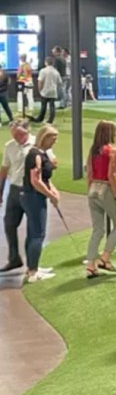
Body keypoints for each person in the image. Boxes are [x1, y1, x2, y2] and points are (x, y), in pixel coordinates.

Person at [84, 120, 116, 279]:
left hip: (93, 189)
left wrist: (89, 191)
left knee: (98, 229)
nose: (115, 134)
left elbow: (88, 173)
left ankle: (90, 265)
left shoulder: (93, 150)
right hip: (105, 189)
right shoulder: (113, 151)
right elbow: (111, 176)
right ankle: (105, 258)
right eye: (114, 131)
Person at [21, 125, 59, 283]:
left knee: (32, 233)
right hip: (33, 197)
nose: (54, 142)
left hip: (34, 196)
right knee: (38, 234)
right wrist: (50, 195)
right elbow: (35, 181)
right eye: (53, 139)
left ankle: (32, 267)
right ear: (45, 138)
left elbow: (45, 178)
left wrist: (54, 191)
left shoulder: (42, 154)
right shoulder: (35, 155)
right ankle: (33, 272)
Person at [0, 119, 35, 274]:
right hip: (14, 189)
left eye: (19, 134)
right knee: (9, 223)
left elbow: (51, 162)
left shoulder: (36, 144)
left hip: (32, 190)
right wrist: (0, 191)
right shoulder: (9, 146)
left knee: (34, 227)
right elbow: (4, 169)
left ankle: (33, 264)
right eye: (14, 134)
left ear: (27, 131)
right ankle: (14, 258)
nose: (16, 138)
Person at [32, 56, 61, 124]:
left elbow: (40, 81)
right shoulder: (56, 71)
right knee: (52, 106)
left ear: (46, 62)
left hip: (45, 91)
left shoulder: (43, 71)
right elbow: (59, 82)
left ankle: (40, 118)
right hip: (53, 90)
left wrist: (40, 89)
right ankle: (51, 119)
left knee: (43, 106)